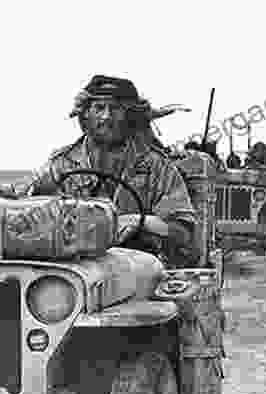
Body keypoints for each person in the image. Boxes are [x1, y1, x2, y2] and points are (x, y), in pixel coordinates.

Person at [11, 75, 198, 264]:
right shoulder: (61, 165)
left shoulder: (156, 167)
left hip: (138, 269)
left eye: (115, 109)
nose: (106, 117)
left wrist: (139, 222)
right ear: (85, 114)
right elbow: (29, 222)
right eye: (99, 108)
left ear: (130, 116)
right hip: (72, 269)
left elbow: (182, 232)